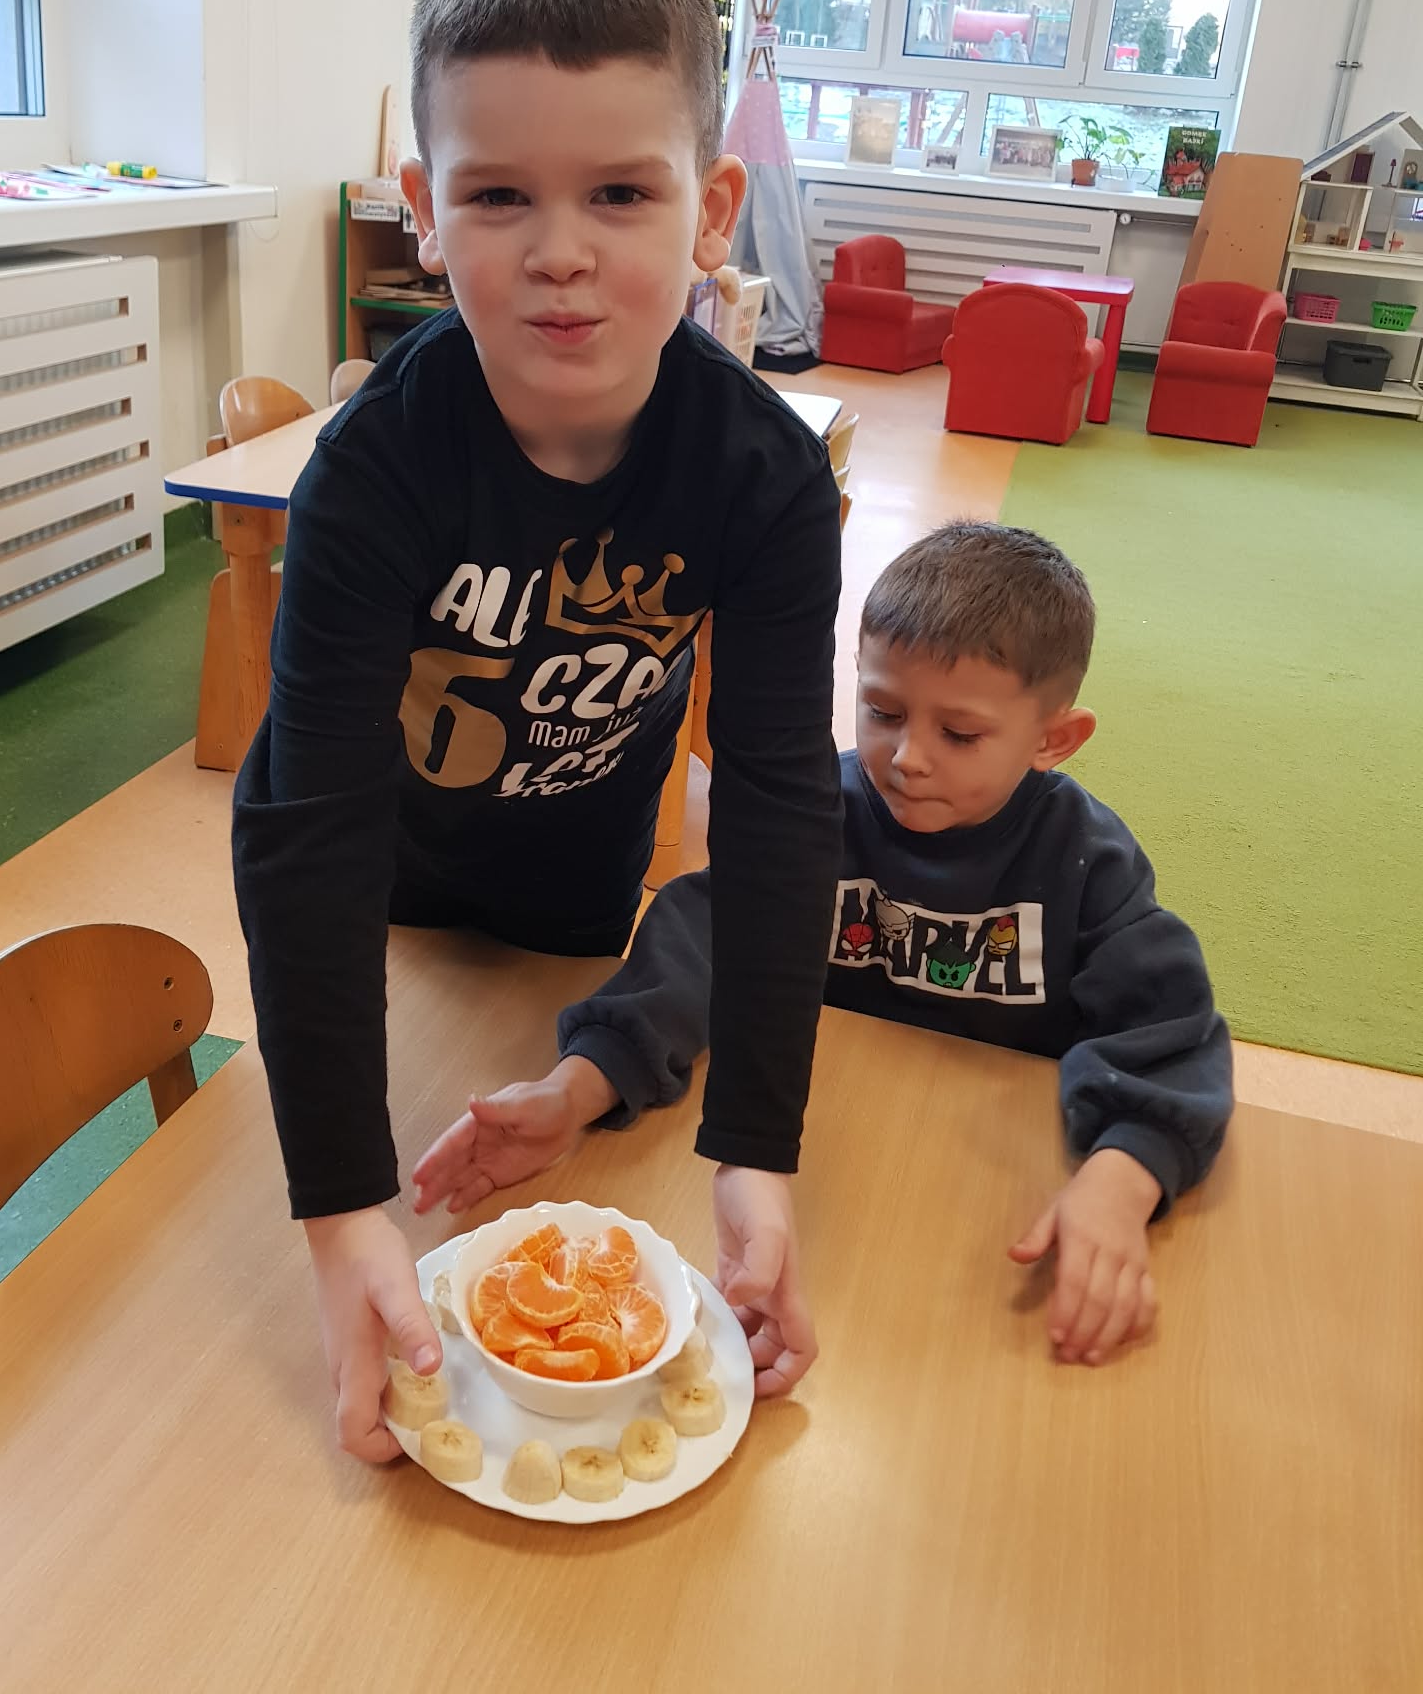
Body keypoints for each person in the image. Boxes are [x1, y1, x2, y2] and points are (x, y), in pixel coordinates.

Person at [232, 0, 843, 1461]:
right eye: (499, 195)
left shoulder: (764, 477)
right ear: (425, 212)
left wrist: (756, 1152)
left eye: (620, 193)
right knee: (401, 1116)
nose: (560, 252)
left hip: (578, 870)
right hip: (373, 879)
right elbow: (306, 828)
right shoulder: (372, 470)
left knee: (544, 1095)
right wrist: (341, 1210)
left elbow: (779, 807)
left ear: (712, 211)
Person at [418, 523, 1234, 1368]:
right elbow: (701, 941)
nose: (908, 758)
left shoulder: (1087, 859)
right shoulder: (813, 814)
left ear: (1053, 739)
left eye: (959, 735)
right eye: (883, 712)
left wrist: (1122, 1177)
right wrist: (580, 1085)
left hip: (980, 1213)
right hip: (820, 1175)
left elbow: (1169, 1028)